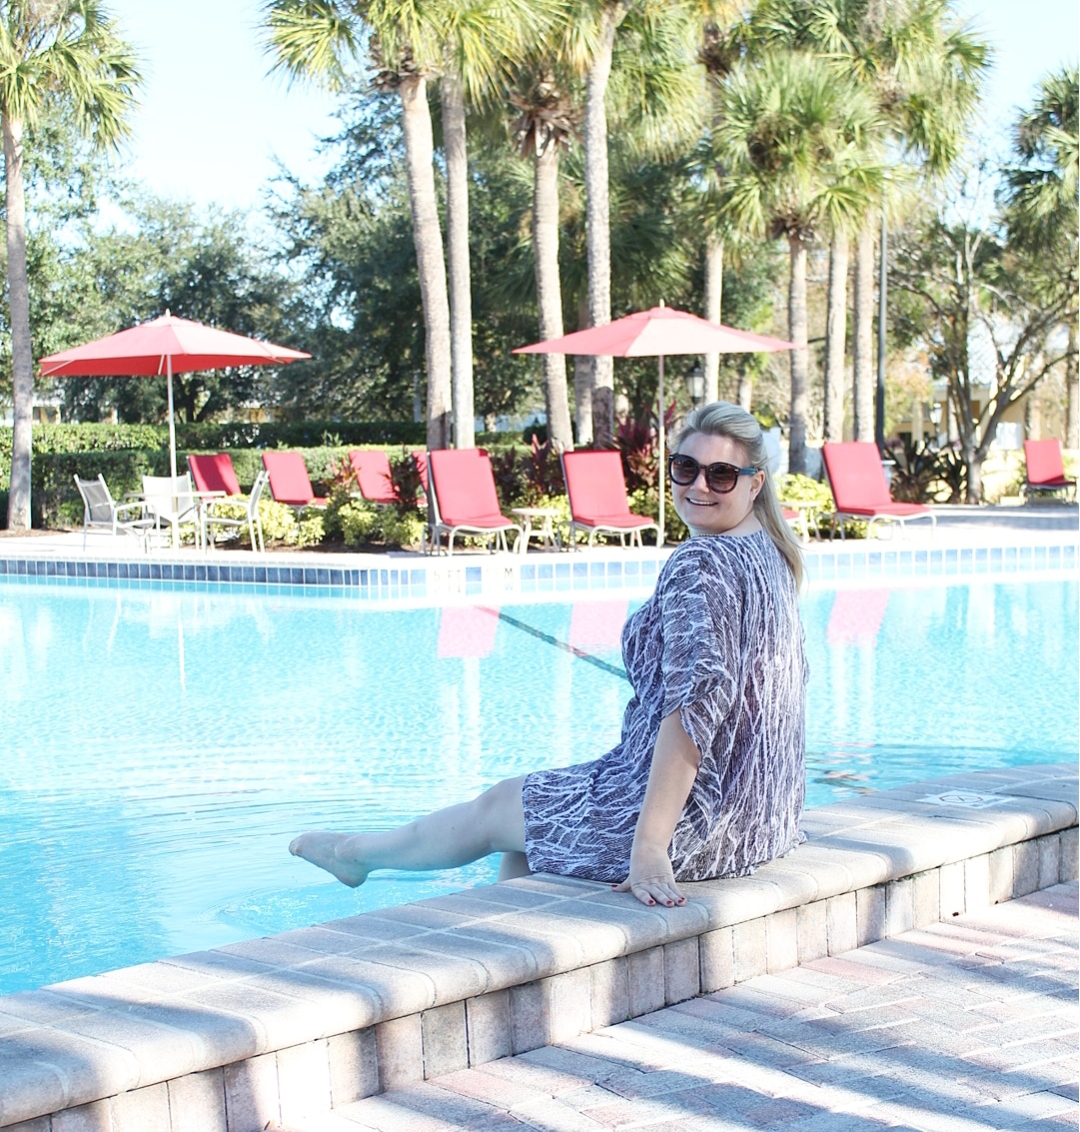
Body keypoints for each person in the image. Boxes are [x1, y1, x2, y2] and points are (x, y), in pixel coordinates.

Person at [290, 401, 807, 909]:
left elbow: (692, 712)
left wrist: (649, 848)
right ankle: (491, 953)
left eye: (720, 475)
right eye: (686, 468)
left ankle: (354, 854)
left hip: (697, 825)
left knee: (498, 809)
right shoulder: (771, 554)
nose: (698, 486)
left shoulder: (702, 563)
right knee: (529, 834)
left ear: (754, 482)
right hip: (759, 819)